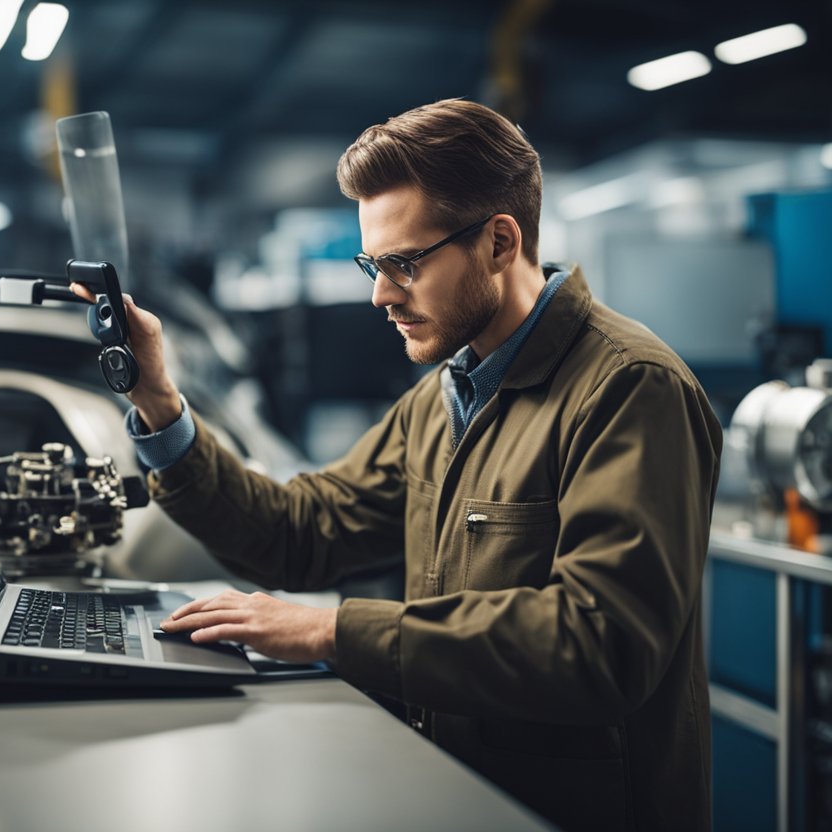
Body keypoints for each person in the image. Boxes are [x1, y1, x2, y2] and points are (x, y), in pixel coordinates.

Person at [72, 99, 721, 832]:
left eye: (403, 264)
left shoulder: (629, 388)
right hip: (459, 795)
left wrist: (332, 632)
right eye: (372, 265)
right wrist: (158, 400)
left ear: (500, 243)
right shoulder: (447, 396)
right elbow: (300, 532)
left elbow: (598, 644)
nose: (380, 294)